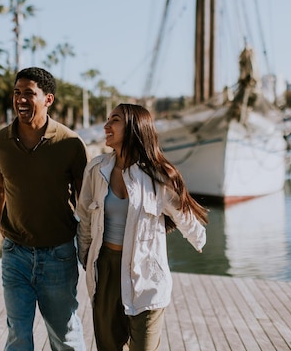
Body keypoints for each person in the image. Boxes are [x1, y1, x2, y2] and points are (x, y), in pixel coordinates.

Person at [76, 103, 208, 351]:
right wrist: (86, 257)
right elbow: (84, 217)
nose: (106, 126)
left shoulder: (158, 176)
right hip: (105, 270)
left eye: (114, 120)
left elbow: (183, 214)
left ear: (134, 128)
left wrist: (199, 241)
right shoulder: (97, 170)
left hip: (147, 276)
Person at [0, 67, 88, 351]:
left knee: (64, 336)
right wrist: (2, 223)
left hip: (58, 255)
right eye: (17, 93)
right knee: (18, 335)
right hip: (15, 254)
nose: (20, 99)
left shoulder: (70, 143)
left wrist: (89, 245)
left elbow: (84, 197)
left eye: (29, 93)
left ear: (48, 99)